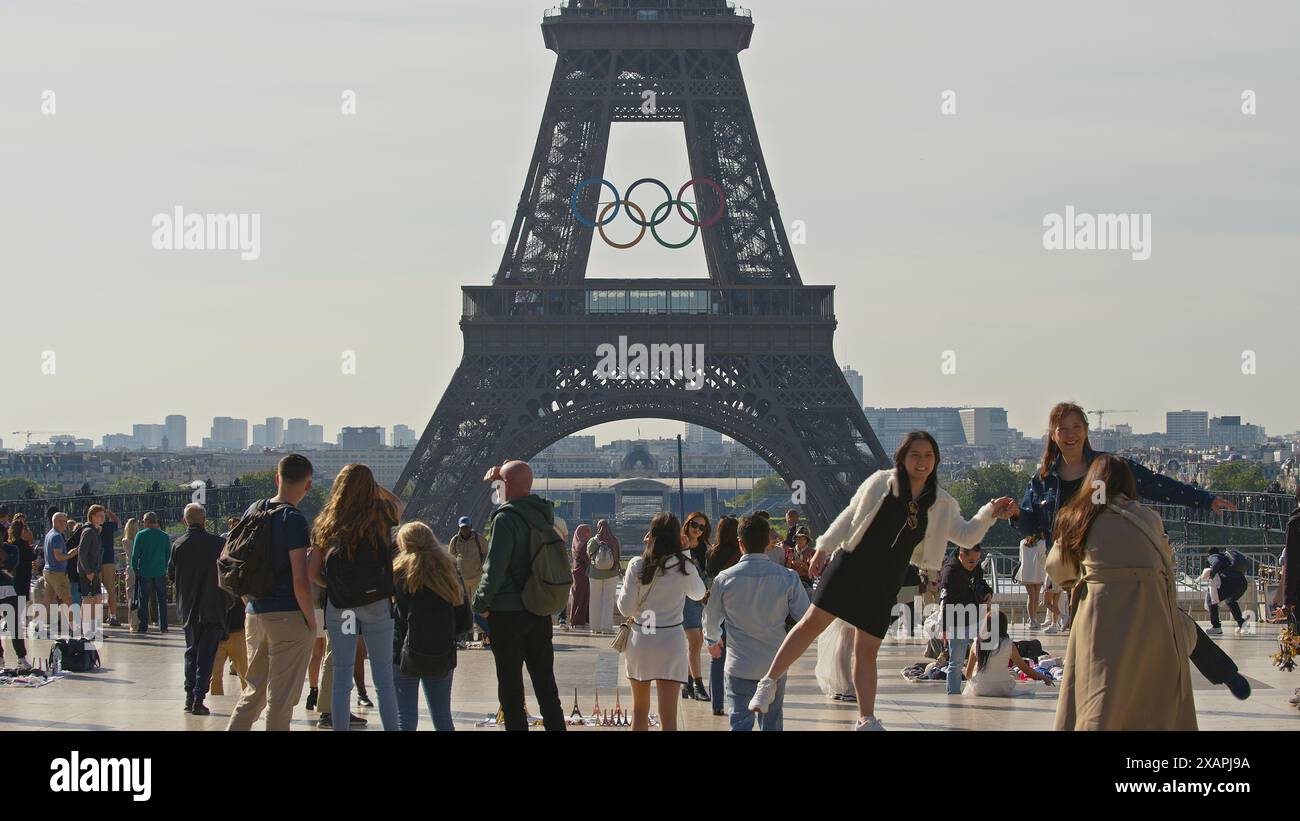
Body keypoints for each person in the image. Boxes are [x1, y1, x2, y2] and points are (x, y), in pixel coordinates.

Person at [748, 431, 1015, 730]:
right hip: (850, 566)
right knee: (811, 623)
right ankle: (768, 681)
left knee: (866, 652)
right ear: (902, 457)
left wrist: (990, 511)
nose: (922, 461)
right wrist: (823, 547)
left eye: (928, 455)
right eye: (915, 454)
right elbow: (850, 515)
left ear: (936, 460)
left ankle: (866, 719)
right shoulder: (881, 482)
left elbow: (967, 535)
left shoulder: (941, 504)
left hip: (886, 581)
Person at [1011, 402, 1247, 693]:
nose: (1070, 434)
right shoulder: (1043, 479)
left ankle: (1223, 673)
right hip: (1078, 576)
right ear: (1053, 434)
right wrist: (1015, 514)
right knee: (1103, 641)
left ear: (1086, 430)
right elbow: (1032, 527)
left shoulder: (1106, 468)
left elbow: (1156, 484)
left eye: (1076, 427)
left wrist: (1204, 499)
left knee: (1164, 618)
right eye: (1063, 429)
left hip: (1115, 562)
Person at [1049, 455, 1197, 730]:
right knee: (1151, 701)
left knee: (1099, 697)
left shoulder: (1077, 517)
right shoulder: (1147, 517)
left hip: (1101, 616)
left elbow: (1058, 569)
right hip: (1152, 617)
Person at [307, 463, 403, 731]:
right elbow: (398, 504)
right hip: (375, 604)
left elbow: (312, 573)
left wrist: (335, 587)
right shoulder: (381, 515)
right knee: (384, 680)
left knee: (341, 676)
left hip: (343, 609)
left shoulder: (326, 522)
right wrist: (375, 488)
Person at [227, 454, 319, 732]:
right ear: (308, 485)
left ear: (277, 478)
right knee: (280, 700)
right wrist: (311, 622)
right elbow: (300, 581)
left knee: (253, 693)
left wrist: (248, 602)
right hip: (288, 615)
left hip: (255, 613)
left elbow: (235, 562)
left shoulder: (254, 510)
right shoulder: (294, 520)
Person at [475, 460, 566, 731]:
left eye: (500, 485)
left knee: (511, 689)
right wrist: (501, 480)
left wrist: (479, 603)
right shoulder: (543, 515)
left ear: (507, 486)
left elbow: (494, 569)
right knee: (545, 684)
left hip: (507, 613)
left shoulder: (505, 519)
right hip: (538, 609)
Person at [703, 514, 809, 731]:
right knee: (772, 722)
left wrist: (712, 640)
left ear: (740, 543)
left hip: (739, 664)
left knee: (739, 723)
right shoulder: (788, 577)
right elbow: (805, 618)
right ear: (768, 543)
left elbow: (711, 618)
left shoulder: (724, 579)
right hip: (774, 664)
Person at [617, 512, 706, 731]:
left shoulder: (637, 564)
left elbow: (625, 608)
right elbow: (698, 593)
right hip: (671, 640)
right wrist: (685, 553)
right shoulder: (683, 566)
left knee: (639, 711)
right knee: (669, 717)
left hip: (642, 639)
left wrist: (645, 552)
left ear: (651, 535)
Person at [392, 522, 471, 731]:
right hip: (441, 653)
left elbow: (397, 616)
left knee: (405, 719)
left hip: (404, 653)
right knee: (442, 717)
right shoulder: (449, 569)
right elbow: (464, 619)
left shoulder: (399, 572)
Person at [169, 503, 229, 715]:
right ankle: (198, 697)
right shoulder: (219, 543)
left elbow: (171, 574)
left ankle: (189, 696)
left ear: (185, 520)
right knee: (206, 655)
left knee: (191, 652)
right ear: (204, 520)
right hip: (213, 606)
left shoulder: (178, 544)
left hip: (188, 608)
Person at [938, 542, 991, 695]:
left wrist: (988, 592)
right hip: (957, 620)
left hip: (976, 616)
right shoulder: (950, 572)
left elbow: (981, 581)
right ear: (961, 555)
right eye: (971, 561)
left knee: (983, 656)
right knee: (956, 662)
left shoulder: (974, 565)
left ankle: (980, 688)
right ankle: (953, 694)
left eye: (977, 561)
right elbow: (946, 602)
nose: (974, 565)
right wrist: (946, 629)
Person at [963, 610, 1052, 697]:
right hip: (1002, 687)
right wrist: (1044, 678)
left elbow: (968, 674)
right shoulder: (1008, 644)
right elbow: (1025, 668)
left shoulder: (977, 644)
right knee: (1012, 673)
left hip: (980, 687)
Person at [705, 515, 741, 716]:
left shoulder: (712, 552)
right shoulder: (739, 552)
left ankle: (716, 703)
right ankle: (737, 699)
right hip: (737, 607)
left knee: (717, 656)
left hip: (717, 606)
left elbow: (709, 575)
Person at [680, 511, 711, 701]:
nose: (697, 530)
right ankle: (698, 685)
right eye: (694, 525)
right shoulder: (680, 544)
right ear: (688, 524)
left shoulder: (705, 548)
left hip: (699, 597)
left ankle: (688, 684)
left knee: (697, 640)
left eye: (702, 527)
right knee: (695, 642)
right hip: (684, 597)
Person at [1, 518, 37, 670]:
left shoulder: (11, 549)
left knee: (15, 626)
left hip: (8, 589)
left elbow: (11, 566)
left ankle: (21, 657)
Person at [449, 516, 489, 641]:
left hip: (477, 577)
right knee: (466, 608)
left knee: (479, 606)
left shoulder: (479, 539)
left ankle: (482, 633)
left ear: (471, 527)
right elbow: (451, 557)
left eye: (466, 527)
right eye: (462, 528)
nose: (464, 530)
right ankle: (469, 634)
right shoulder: (455, 540)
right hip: (462, 579)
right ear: (459, 528)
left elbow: (486, 554)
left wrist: (481, 567)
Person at [131, 512, 171, 634]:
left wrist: (135, 568)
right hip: (160, 571)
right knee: (161, 600)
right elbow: (168, 554)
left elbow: (135, 555)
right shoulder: (164, 536)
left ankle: (143, 626)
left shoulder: (141, 535)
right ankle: (163, 625)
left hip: (145, 571)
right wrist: (164, 567)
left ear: (147, 521)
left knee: (143, 600)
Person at [1200, 548, 1248, 635]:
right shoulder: (1225, 557)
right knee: (1230, 601)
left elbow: (1217, 563)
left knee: (1212, 601)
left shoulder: (1214, 556)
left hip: (1230, 582)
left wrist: (1212, 574)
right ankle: (1241, 623)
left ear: (1208, 555)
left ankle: (1216, 627)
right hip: (1242, 582)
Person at [586, 519, 621, 634]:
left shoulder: (593, 540)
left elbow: (589, 553)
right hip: (611, 574)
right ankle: (607, 627)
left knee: (594, 600)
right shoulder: (614, 540)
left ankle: (595, 627)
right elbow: (617, 555)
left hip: (595, 574)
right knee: (608, 600)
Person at [210, 592, 248, 697]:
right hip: (218, 633)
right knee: (215, 676)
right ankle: (218, 706)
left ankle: (248, 705)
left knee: (245, 675)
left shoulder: (238, 581)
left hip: (237, 631)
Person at [75, 505, 106, 623]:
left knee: (97, 599)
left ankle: (92, 627)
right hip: (88, 572)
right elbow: (82, 553)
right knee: (88, 600)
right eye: (100, 515)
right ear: (92, 516)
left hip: (94, 571)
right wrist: (88, 571)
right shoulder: (88, 531)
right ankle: (85, 628)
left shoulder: (94, 531)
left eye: (103, 515)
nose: (102, 518)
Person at [1017, 535, 1046, 630]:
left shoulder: (1022, 542)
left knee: (1031, 596)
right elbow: (1042, 558)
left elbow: (1021, 558)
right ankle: (1033, 618)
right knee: (1036, 596)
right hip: (1037, 571)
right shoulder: (1041, 543)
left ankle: (1032, 618)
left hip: (1026, 571)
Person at [98, 507, 121, 627]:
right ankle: (112, 616)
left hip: (95, 562)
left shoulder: (90, 528)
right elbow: (117, 521)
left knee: (94, 592)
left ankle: (95, 619)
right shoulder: (108, 526)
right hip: (108, 561)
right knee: (111, 591)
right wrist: (108, 511)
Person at [567, 523, 591, 629]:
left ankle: (579, 619)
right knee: (581, 596)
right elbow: (586, 559)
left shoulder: (576, 543)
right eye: (586, 531)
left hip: (579, 573)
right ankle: (578, 620)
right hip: (582, 573)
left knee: (581, 596)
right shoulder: (583, 544)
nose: (588, 533)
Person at [121, 518, 140, 631]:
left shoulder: (125, 541)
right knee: (139, 596)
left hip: (130, 569)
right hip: (139, 568)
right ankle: (139, 620)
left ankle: (132, 622)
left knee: (130, 597)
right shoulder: (140, 539)